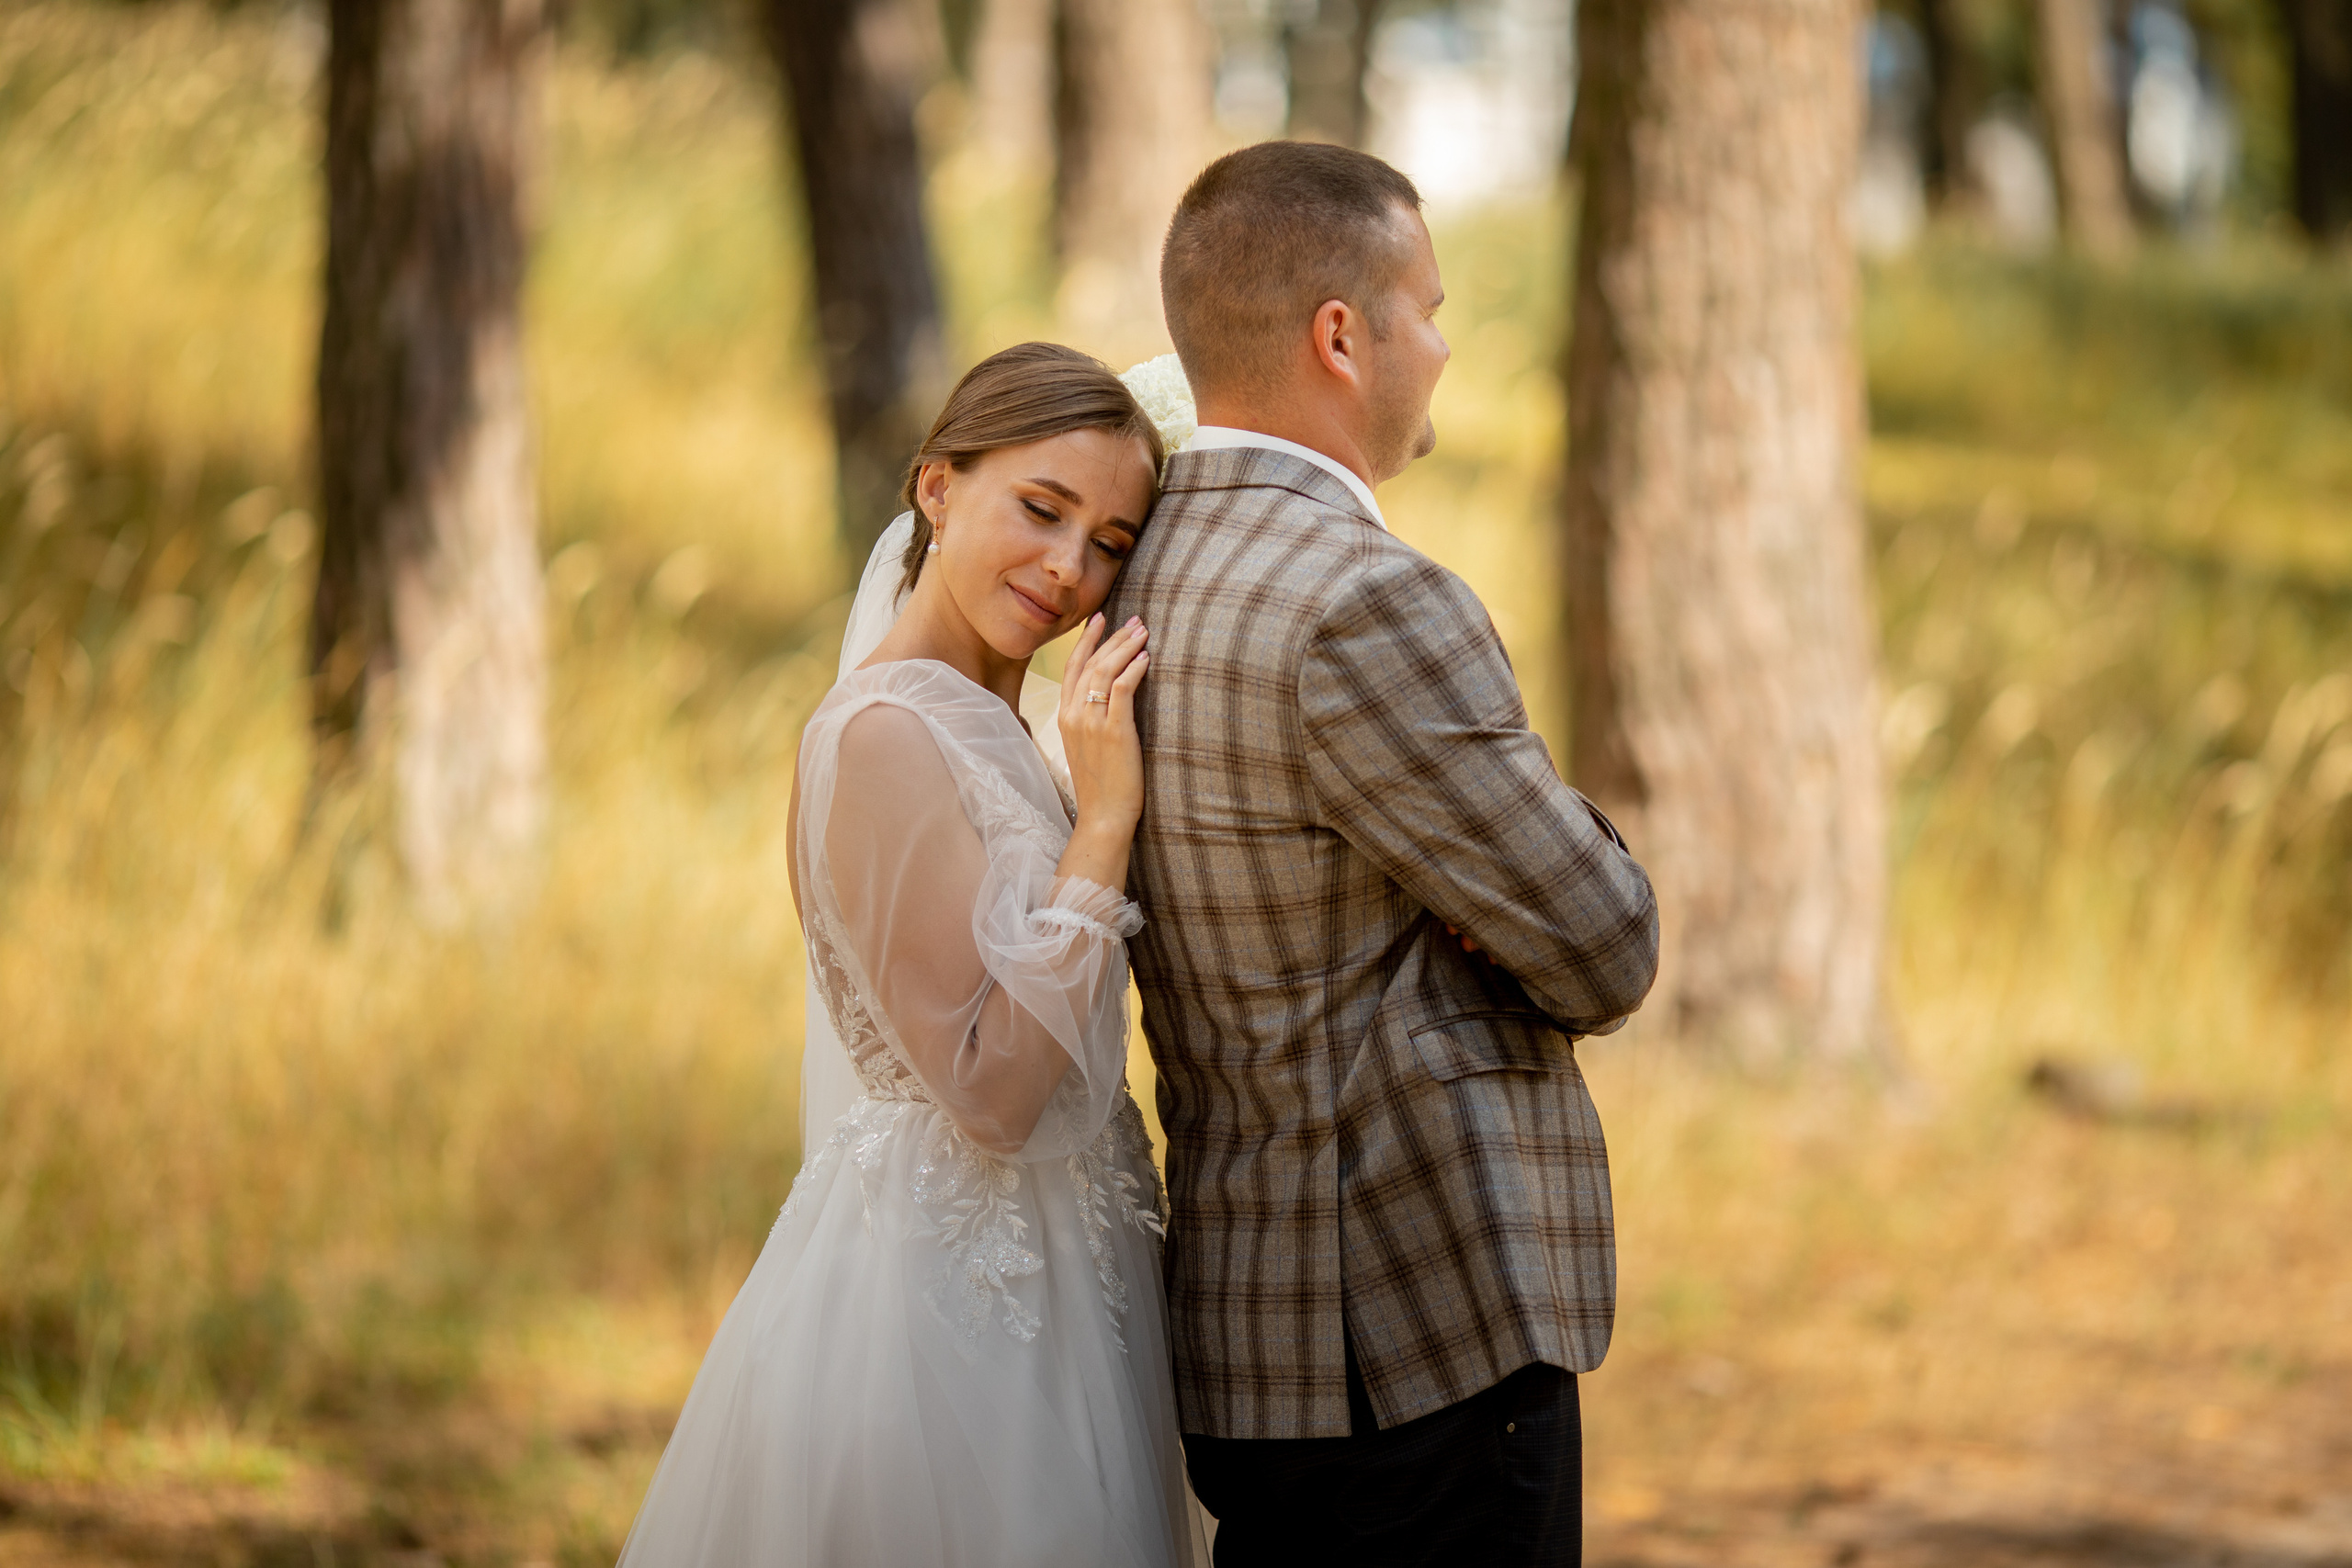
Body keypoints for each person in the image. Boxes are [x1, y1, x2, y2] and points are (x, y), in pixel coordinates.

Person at [1104, 141, 1662, 1566]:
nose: (1449, 345)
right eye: (1430, 308)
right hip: (1420, 1337)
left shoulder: (1139, 571)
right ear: (1342, 337)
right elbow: (1604, 944)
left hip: (1249, 1342)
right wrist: (1512, 883)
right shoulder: (1365, 599)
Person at [616, 342, 1203, 1568]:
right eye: (1039, 509)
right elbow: (991, 1092)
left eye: (1108, 541)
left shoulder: (1008, 727)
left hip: (1074, 1271)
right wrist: (1105, 824)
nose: (1068, 567)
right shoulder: (887, 733)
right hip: (947, 1315)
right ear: (938, 486)